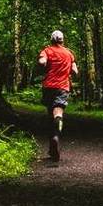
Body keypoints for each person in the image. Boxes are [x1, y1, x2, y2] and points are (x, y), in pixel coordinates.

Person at [37, 29, 78, 161]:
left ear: (51, 40)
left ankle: (52, 148)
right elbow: (75, 71)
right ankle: (56, 134)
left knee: (50, 115)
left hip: (48, 86)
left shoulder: (47, 50)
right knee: (58, 112)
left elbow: (42, 62)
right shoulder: (69, 53)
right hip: (62, 87)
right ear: (62, 40)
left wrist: (43, 64)